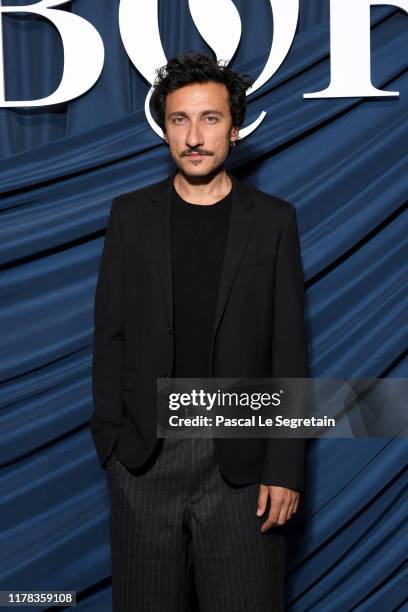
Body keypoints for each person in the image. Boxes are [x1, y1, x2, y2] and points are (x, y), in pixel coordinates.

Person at [90, 50, 309, 611]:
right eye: (179, 120)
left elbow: (289, 349)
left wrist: (284, 466)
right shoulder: (130, 216)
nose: (193, 136)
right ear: (164, 129)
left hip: (241, 463)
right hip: (144, 457)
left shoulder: (274, 220)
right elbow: (109, 337)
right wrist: (113, 444)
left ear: (235, 129)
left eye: (210, 118)